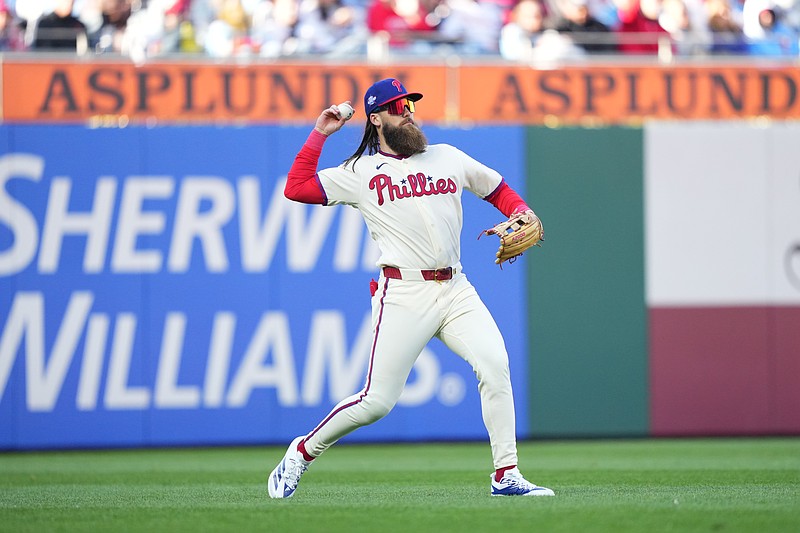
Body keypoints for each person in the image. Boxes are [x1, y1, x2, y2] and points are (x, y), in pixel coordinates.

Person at [268, 78, 554, 499]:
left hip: (455, 287)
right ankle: (302, 452)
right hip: (403, 294)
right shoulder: (360, 172)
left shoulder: (446, 157)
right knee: (377, 402)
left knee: (495, 366)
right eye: (398, 106)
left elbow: (496, 189)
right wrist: (320, 133)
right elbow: (297, 187)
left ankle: (505, 474)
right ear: (376, 118)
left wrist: (522, 211)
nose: (407, 111)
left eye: (409, 104)